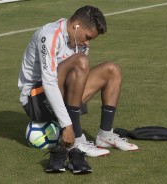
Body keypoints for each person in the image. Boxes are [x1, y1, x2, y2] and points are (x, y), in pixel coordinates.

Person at [18, 5, 138, 174]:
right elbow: (49, 82)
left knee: (112, 70)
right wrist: (68, 126)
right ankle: (77, 139)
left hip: (62, 96)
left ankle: (105, 136)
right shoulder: (49, 35)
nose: (87, 43)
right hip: (35, 101)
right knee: (80, 60)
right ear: (77, 26)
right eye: (87, 37)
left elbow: (78, 80)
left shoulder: (79, 42)